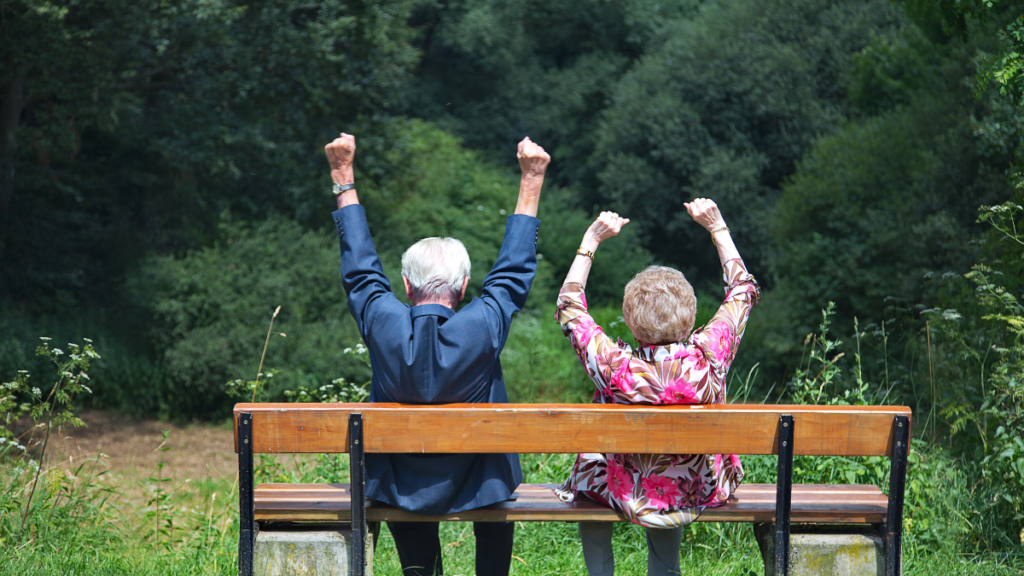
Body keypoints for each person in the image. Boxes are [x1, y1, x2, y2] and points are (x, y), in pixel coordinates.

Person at [325, 132, 550, 576]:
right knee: (497, 481)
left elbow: (361, 272)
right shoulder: (482, 325)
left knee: (402, 503)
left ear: (406, 287)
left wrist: (342, 175)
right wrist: (531, 179)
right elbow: (511, 273)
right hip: (482, 482)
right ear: (464, 287)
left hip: (402, 486)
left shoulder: (383, 322)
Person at [553, 199, 760, 576]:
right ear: (693, 317)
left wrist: (591, 241)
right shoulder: (709, 356)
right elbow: (742, 290)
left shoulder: (613, 365)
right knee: (670, 473)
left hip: (621, 487)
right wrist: (718, 229)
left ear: (630, 323)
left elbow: (569, 306)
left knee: (590, 467)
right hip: (691, 488)